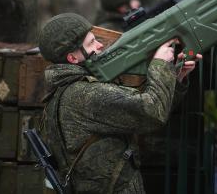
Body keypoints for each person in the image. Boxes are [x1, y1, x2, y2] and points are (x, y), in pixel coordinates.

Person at [38, 13, 201, 193]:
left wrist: (175, 78)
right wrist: (160, 64)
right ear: (73, 58)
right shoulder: (85, 94)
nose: (100, 45)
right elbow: (151, 113)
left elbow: (140, 111)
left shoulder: (69, 90)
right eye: (91, 43)